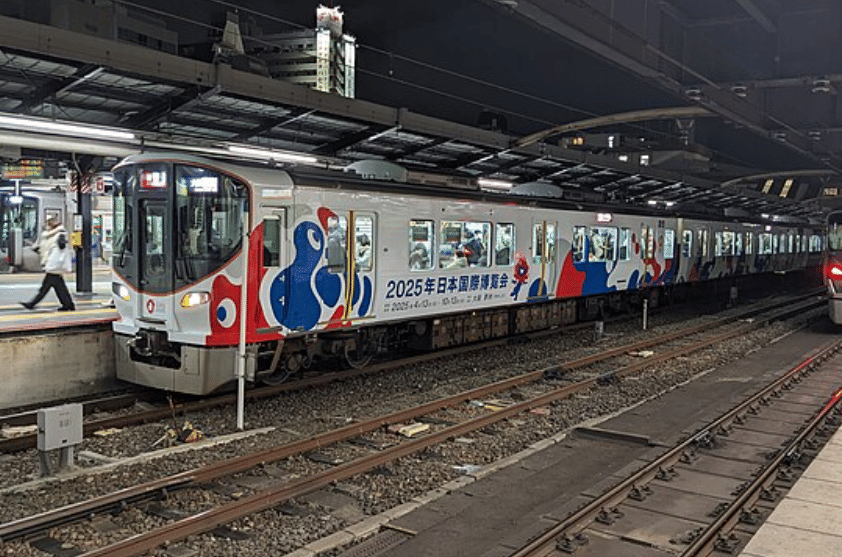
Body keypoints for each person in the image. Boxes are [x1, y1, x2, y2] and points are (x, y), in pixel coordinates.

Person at [21, 217, 75, 311]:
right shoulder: (51, 235)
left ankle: (32, 303)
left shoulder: (60, 235)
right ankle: (68, 304)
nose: (46, 227)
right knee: (59, 287)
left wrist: (52, 264)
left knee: (45, 287)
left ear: (52, 226)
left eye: (47, 225)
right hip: (54, 266)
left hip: (55, 265)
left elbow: (60, 250)